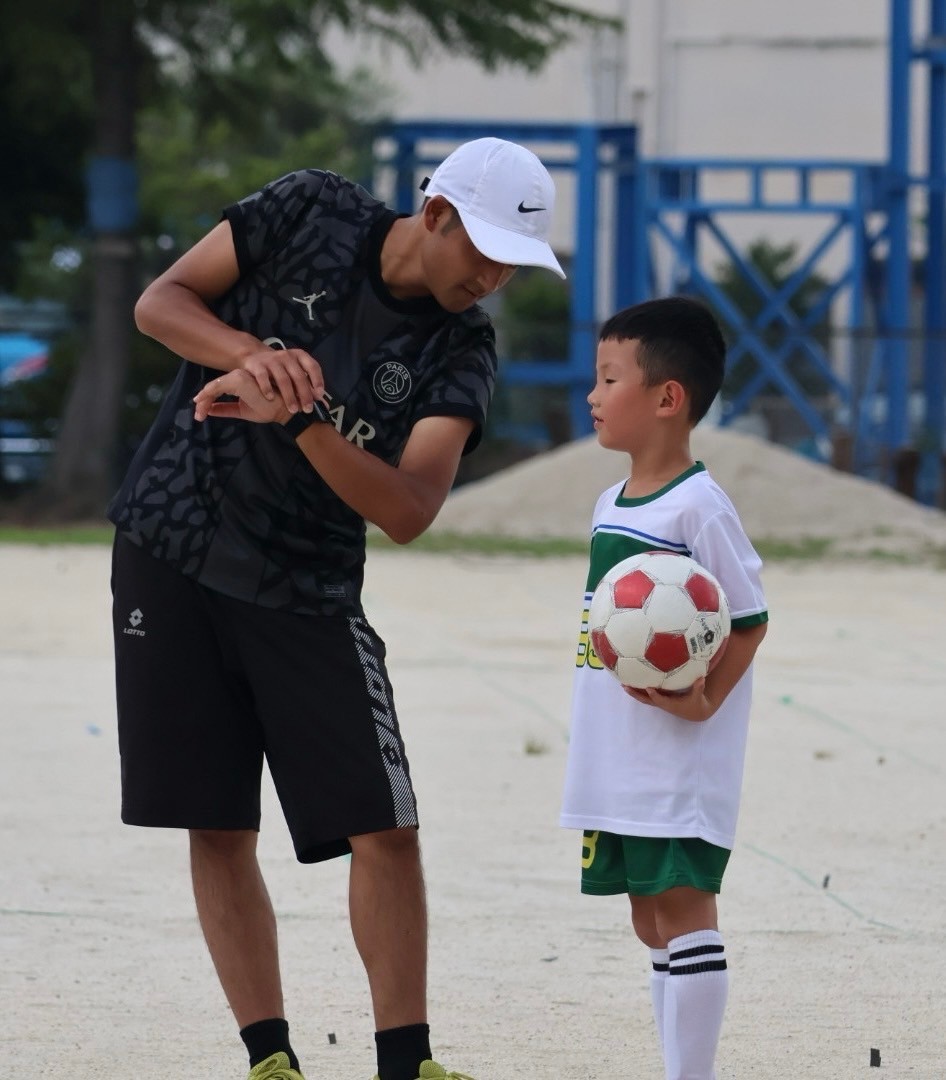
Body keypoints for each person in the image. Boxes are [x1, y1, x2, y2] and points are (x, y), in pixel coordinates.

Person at [108, 137, 565, 1080]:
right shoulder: (311, 207)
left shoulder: (461, 346)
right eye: (482, 251)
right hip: (171, 543)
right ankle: (270, 1059)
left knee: (386, 829)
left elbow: (408, 509)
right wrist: (254, 356)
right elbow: (161, 303)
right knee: (217, 822)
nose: (491, 279)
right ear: (434, 212)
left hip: (308, 585)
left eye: (512, 267)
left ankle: (407, 1063)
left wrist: (301, 418)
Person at [559, 297, 768, 1080]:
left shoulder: (699, 505)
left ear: (667, 398)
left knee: (682, 908)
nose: (593, 394)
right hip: (616, 752)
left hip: (677, 757)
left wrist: (706, 698)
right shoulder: (610, 503)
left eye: (609, 378)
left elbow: (748, 617)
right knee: (648, 919)